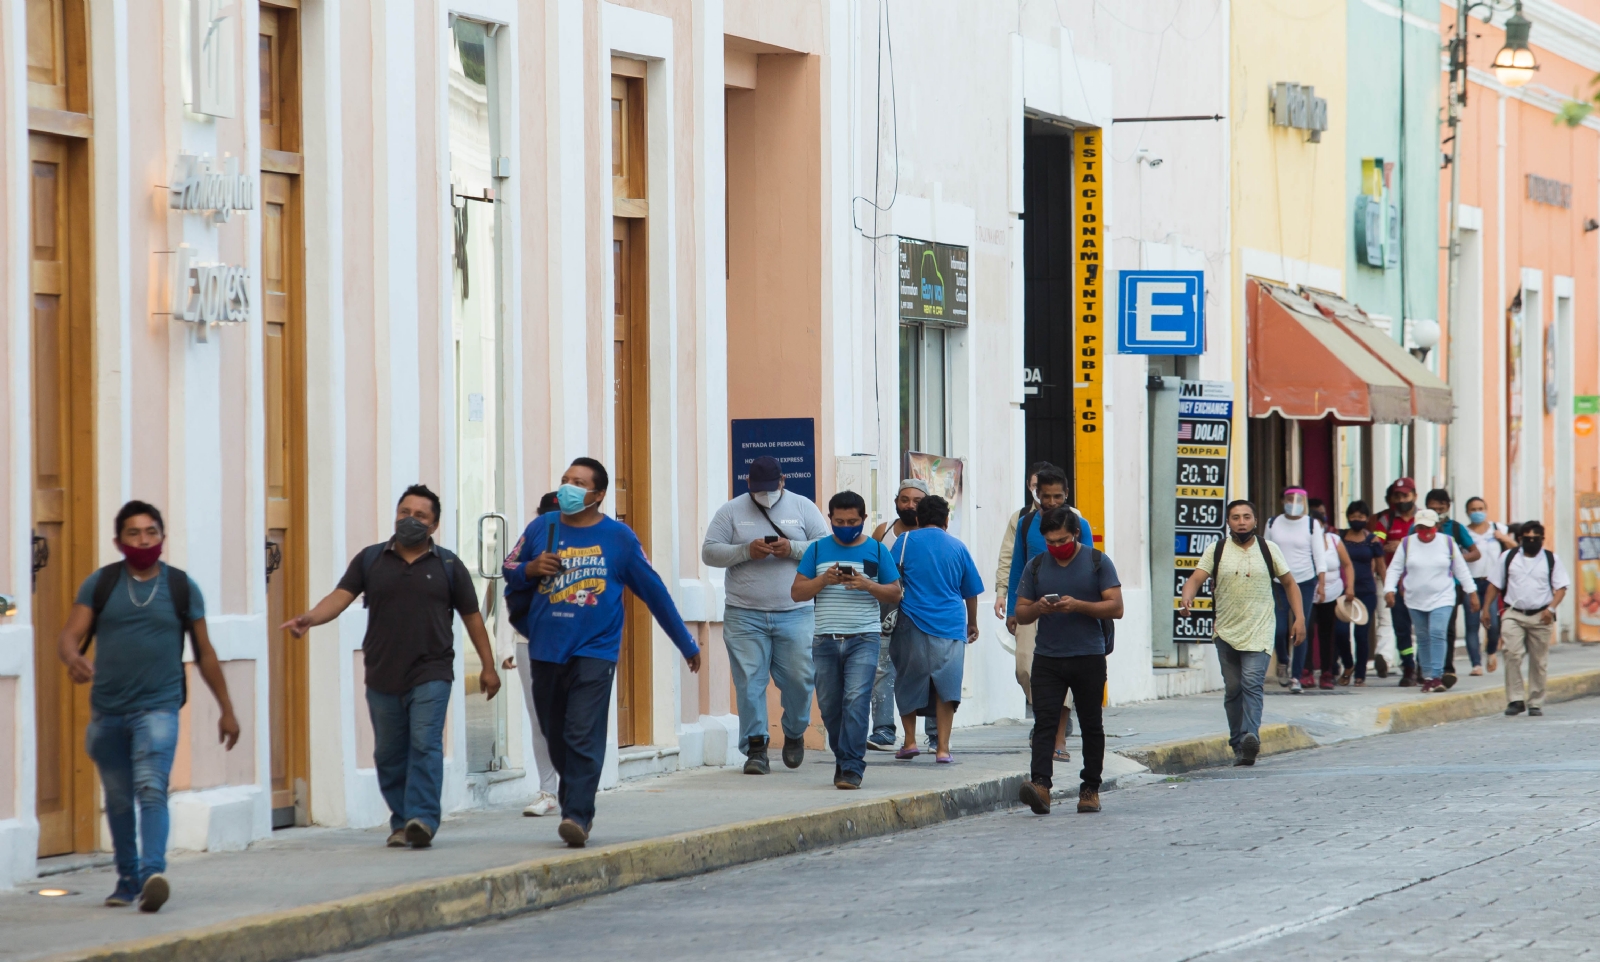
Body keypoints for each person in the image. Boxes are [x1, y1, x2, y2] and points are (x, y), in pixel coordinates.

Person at [284, 484, 501, 849]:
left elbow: (472, 618)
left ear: (433, 526)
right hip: (383, 672)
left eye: (420, 516)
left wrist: (488, 666)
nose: (410, 520)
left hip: (432, 670)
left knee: (425, 742)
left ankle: (422, 818)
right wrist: (310, 618)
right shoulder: (370, 560)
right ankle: (401, 822)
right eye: (405, 512)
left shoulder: (448, 565)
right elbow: (341, 596)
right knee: (388, 752)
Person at [503, 459, 701, 845]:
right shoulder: (542, 527)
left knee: (581, 730)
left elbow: (654, 591)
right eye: (564, 481)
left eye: (578, 483)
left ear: (598, 495)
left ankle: (577, 815)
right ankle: (573, 802)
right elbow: (508, 567)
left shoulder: (618, 538)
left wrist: (685, 642)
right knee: (555, 733)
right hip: (545, 648)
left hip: (596, 650)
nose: (568, 488)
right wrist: (530, 568)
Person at [56, 501, 240, 912]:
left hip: (159, 706)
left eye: (151, 532)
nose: (144, 540)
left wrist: (226, 708)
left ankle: (153, 873)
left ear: (163, 536)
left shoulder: (180, 587)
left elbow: (205, 652)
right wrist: (73, 659)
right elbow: (69, 635)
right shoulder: (100, 584)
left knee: (151, 787)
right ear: (119, 541)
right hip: (107, 710)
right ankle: (126, 879)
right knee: (119, 799)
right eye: (134, 533)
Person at [701, 455, 830, 774]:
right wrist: (746, 551)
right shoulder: (731, 511)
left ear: (782, 482)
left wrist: (793, 549)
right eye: (759, 490)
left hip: (796, 613)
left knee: (800, 680)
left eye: (771, 489)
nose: (766, 495)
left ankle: (795, 731)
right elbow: (710, 552)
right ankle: (756, 748)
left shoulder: (803, 507)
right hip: (744, 615)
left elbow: (826, 548)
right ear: (749, 486)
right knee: (749, 681)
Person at [1013, 508, 1122, 816]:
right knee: (1044, 722)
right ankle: (1040, 786)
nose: (1056, 546)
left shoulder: (1097, 562)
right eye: (1049, 541)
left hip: (1088, 655)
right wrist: (1038, 608)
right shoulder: (1036, 566)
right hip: (1047, 656)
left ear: (1075, 534)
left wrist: (1079, 606)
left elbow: (1116, 607)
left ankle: (1090, 789)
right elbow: (1021, 612)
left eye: (1061, 540)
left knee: (1091, 724)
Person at [791, 491, 902, 789]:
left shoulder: (878, 550)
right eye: (839, 521)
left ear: (864, 519)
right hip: (825, 640)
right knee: (829, 706)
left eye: (852, 521)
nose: (845, 525)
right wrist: (823, 580)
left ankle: (852, 767)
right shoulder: (816, 550)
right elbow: (797, 592)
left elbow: (895, 592)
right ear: (830, 519)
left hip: (864, 638)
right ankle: (844, 758)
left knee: (855, 701)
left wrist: (866, 584)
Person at [1180, 500, 1302, 766]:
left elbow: (1290, 583)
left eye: (1247, 516)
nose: (1242, 522)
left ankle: (1251, 738)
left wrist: (1299, 618)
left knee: (1251, 683)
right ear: (1229, 522)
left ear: (1255, 521)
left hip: (1260, 628)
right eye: (1236, 517)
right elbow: (1195, 579)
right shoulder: (1218, 550)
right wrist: (1186, 598)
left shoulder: (1269, 550)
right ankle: (1238, 744)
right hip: (1225, 630)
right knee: (1233, 688)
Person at [1002, 467, 1093, 759]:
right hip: (1033, 607)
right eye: (1046, 496)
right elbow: (1018, 564)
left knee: (1061, 671)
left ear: (1066, 495)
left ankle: (1058, 739)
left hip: (1069, 610)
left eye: (1057, 496)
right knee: (1025, 668)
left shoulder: (1079, 523)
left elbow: (1091, 564)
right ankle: (1049, 719)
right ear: (1036, 494)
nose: (1052, 502)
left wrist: (1083, 606)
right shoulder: (1026, 522)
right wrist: (1014, 608)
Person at [888, 495, 984, 763]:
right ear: (946, 520)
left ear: (917, 519)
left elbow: (890, 579)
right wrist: (972, 623)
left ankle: (909, 742)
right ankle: (942, 748)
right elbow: (971, 591)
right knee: (947, 686)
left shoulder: (905, 541)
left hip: (911, 620)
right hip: (951, 625)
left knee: (908, 679)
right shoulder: (958, 547)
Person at [500, 491, 561, 818]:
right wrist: (505, 645)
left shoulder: (590, 543)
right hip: (530, 642)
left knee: (573, 717)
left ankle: (574, 784)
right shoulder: (529, 543)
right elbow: (506, 593)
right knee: (539, 718)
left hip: (575, 645)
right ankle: (548, 790)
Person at [867, 479, 935, 751]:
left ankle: (935, 734)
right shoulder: (883, 532)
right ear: (896, 502)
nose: (910, 505)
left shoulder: (933, 532)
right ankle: (883, 731)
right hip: (886, 611)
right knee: (882, 668)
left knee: (929, 671)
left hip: (924, 612)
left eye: (917, 501)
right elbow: (870, 570)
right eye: (905, 499)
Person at [1382, 508, 1479, 693]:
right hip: (1415, 598)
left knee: (1437, 632)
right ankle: (1427, 676)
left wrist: (1472, 592)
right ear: (1415, 527)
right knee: (1423, 637)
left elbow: (1461, 569)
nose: (1425, 532)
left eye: (1429, 527)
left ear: (1436, 526)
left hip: (1443, 596)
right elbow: (1394, 568)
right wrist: (1389, 590)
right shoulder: (1407, 544)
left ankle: (1437, 675)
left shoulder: (1447, 543)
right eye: (1421, 527)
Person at [1484, 520, 1569, 717]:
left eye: (1535, 539)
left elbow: (1562, 587)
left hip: (1541, 615)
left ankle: (1535, 701)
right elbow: (1494, 584)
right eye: (1527, 538)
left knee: (1539, 661)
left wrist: (1552, 609)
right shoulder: (1508, 557)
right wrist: (1486, 609)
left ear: (1542, 540)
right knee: (1512, 654)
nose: (1531, 542)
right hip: (1513, 613)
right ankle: (1515, 699)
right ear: (1520, 539)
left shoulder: (1551, 559)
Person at [1265, 487, 1325, 693]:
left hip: (1305, 581)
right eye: (1290, 498)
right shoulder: (1273, 523)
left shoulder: (1311, 524)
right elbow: (1266, 552)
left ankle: (1296, 676)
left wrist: (1322, 583)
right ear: (1283, 500)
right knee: (1279, 627)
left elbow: (1319, 555)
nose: (1294, 502)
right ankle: (1283, 660)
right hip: (1278, 581)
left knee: (1301, 628)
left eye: (1298, 499)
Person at [1423, 489, 1482, 687]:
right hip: (1423, 585)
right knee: (1423, 629)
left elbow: (1475, 553)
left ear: (1448, 506)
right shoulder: (1418, 529)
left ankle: (1447, 669)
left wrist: (1457, 559)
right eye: (1433, 505)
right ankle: (1423, 669)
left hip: (1451, 586)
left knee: (1446, 629)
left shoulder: (1455, 528)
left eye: (1441, 504)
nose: (1437, 508)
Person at [1372, 478, 1421, 685]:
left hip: (1420, 582)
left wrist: (1401, 544)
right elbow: (1377, 545)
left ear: (1414, 496)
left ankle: (1423, 666)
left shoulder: (1423, 519)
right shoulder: (1386, 520)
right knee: (1401, 627)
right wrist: (1387, 583)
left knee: (1421, 627)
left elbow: (1430, 543)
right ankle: (1408, 666)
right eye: (1398, 496)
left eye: (1405, 495)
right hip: (1394, 581)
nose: (1401, 500)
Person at [1307, 499, 1355, 689]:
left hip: (1333, 594)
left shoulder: (1334, 541)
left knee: (1329, 634)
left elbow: (1347, 564)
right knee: (1306, 632)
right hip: (1307, 595)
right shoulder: (1302, 545)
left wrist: (1350, 587)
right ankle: (1305, 671)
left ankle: (1328, 672)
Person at [1465, 496, 1515, 675]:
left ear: (1486, 510)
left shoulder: (1497, 528)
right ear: (1467, 512)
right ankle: (1476, 664)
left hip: (1492, 583)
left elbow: (1515, 547)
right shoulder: (1464, 532)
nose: (1477, 512)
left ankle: (1491, 651)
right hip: (1470, 583)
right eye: (1473, 509)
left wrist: (1503, 538)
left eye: (1480, 508)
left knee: (1493, 623)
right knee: (1471, 624)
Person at [1339, 501, 1386, 687]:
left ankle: (1360, 674)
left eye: (1361, 517)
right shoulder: (1340, 537)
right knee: (1341, 632)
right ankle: (1348, 665)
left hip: (1367, 591)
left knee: (1361, 634)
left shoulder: (1373, 540)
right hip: (1343, 591)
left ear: (1367, 519)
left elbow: (1381, 566)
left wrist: (1390, 589)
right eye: (1353, 516)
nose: (1356, 520)